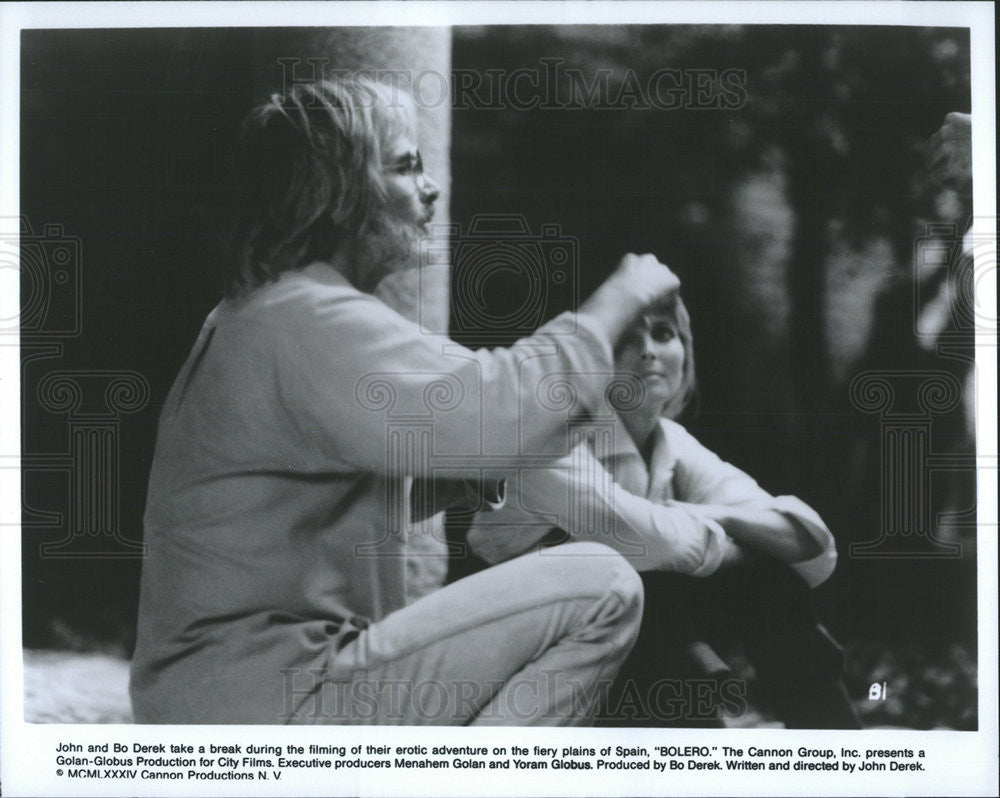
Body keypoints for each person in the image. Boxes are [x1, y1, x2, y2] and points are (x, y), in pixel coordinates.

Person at [129, 78, 683, 725]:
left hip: (228, 696)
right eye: (405, 164)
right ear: (337, 193)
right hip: (267, 702)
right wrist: (620, 296)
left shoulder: (264, 312)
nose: (430, 187)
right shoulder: (306, 317)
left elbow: (299, 511)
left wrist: (456, 478)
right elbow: (504, 410)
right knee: (603, 584)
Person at [468, 293, 861, 728]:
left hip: (622, 648)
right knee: (641, 582)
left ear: (685, 354)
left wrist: (728, 519)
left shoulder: (672, 442)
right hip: (518, 660)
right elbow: (642, 538)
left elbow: (810, 547)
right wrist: (723, 534)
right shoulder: (552, 439)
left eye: (664, 334)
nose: (649, 350)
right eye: (627, 339)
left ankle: (833, 740)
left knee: (768, 577)